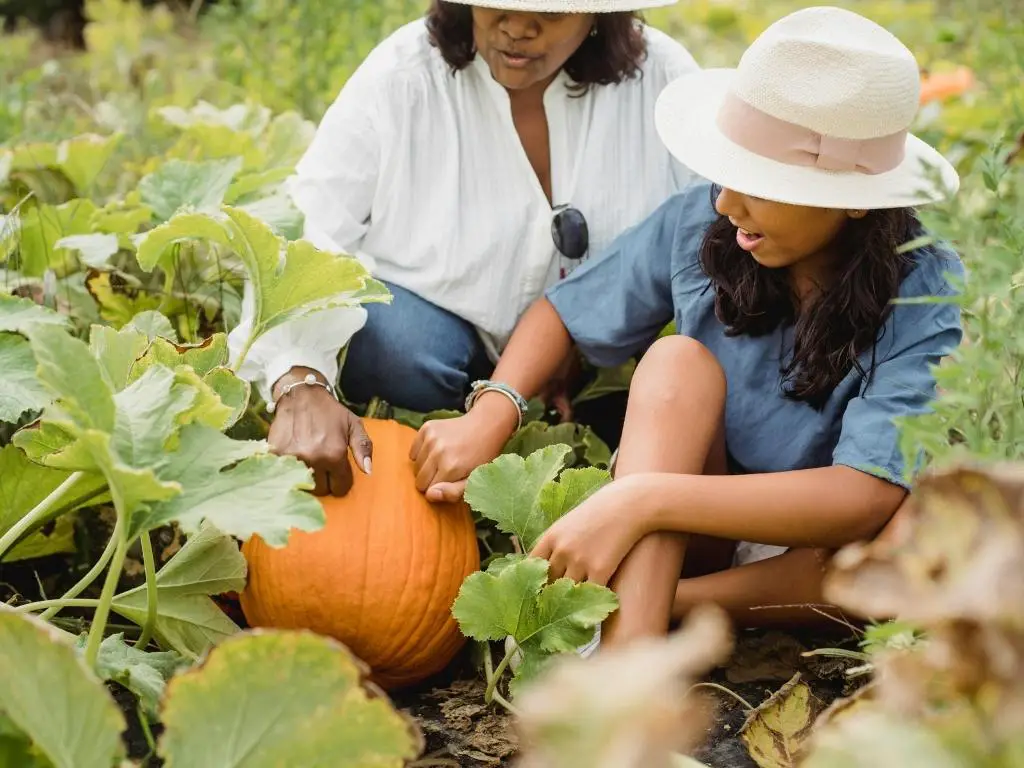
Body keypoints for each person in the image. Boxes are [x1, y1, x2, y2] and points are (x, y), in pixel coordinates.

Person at [411, 6, 964, 647]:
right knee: (677, 362)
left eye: (761, 184)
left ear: (853, 202)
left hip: (819, 552)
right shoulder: (706, 221)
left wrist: (641, 499)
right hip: (697, 517)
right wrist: (495, 409)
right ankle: (630, 656)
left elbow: (863, 498)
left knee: (917, 535)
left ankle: (654, 605)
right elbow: (563, 311)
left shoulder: (923, 285)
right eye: (729, 173)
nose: (727, 202)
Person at [226, 0, 700, 497]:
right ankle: (461, 430)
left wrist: (584, 339)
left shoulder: (662, 81)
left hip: (600, 360)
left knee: (661, 380)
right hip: (440, 346)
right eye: (495, 3)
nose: (517, 27)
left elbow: (712, 232)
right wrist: (298, 376)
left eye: (552, 13)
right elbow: (312, 224)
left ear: (598, 12)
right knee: (389, 344)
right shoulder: (401, 76)